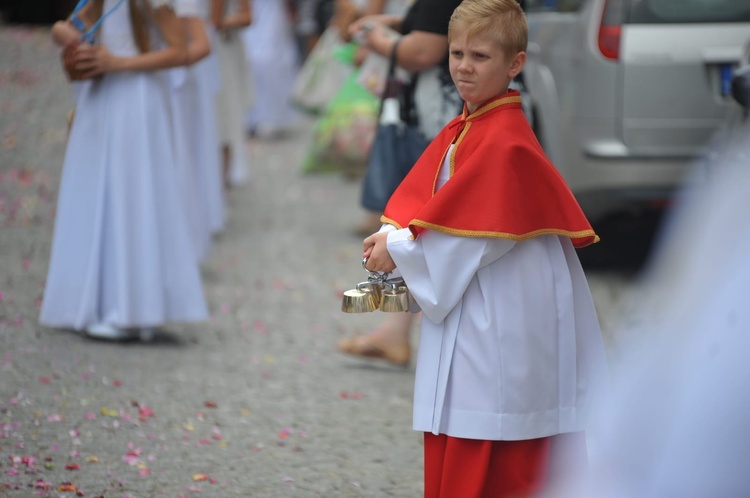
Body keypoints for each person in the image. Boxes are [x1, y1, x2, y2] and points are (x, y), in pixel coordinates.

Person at [359, 0, 610, 495]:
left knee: (493, 436)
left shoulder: (506, 142)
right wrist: (398, 236)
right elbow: (451, 212)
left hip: (500, 316)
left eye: (480, 56)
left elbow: (469, 235)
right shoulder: (475, 125)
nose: (464, 68)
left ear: (514, 63)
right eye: (456, 54)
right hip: (486, 299)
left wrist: (399, 246)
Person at [41, 0, 208, 341]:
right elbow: (71, 23)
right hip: (103, 95)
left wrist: (118, 62)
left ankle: (135, 310)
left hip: (136, 95)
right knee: (98, 194)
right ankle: (105, 301)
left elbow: (182, 50)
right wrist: (69, 38)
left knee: (134, 197)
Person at [336, 0, 464, 366]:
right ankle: (397, 330)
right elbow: (439, 24)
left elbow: (423, 50)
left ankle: (406, 332)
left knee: (434, 220)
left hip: (442, 111)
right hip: (441, 110)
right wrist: (393, 22)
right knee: (428, 220)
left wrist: (375, 36)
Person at [212, 0, 253, 189]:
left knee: (224, 119)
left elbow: (247, 16)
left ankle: (221, 182)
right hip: (207, 48)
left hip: (221, 49)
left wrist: (223, 22)